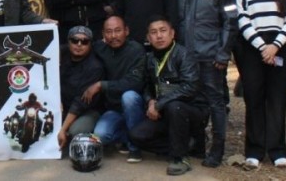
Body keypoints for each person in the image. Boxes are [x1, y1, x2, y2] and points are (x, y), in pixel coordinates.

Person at [233, 0, 286, 170]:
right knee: (254, 99)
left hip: (280, 46)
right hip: (253, 48)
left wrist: (275, 46)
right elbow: (243, 20)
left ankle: (278, 150)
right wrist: (262, 47)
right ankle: (254, 150)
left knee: (277, 100)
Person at [175, 0, 238, 168]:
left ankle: (217, 151)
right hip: (184, 58)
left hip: (211, 57)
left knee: (216, 104)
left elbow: (231, 22)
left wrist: (223, 53)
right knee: (188, 101)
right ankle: (197, 145)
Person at [128, 17, 209, 176]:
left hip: (191, 111)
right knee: (135, 136)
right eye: (154, 32)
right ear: (148, 38)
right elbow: (146, 87)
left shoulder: (184, 55)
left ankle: (180, 158)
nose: (159, 36)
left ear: (172, 34)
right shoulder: (149, 59)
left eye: (163, 31)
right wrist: (150, 101)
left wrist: (160, 104)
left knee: (175, 106)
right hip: (165, 113)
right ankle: (186, 144)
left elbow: (190, 87)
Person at [88, 16, 145, 162]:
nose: (113, 36)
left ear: (126, 31)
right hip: (113, 109)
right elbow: (77, 50)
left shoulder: (136, 50)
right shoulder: (99, 48)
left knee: (129, 96)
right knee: (100, 136)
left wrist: (102, 85)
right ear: (103, 34)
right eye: (109, 32)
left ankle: (135, 148)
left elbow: (134, 83)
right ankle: (126, 136)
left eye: (118, 31)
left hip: (135, 107)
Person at [57, 26, 105, 151]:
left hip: (86, 110)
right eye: (74, 40)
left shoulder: (95, 67)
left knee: (75, 131)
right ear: (68, 42)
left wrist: (63, 129)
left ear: (90, 44)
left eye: (84, 41)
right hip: (63, 107)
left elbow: (80, 102)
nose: (79, 44)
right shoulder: (60, 54)